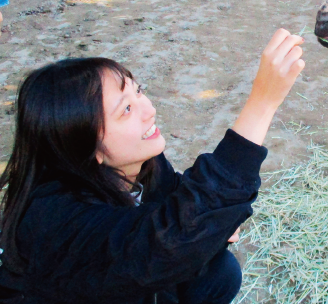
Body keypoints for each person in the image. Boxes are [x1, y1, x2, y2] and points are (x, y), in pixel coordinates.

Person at [0, 29, 305, 304]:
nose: (150, 110)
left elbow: (178, 201)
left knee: (219, 273)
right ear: (86, 146)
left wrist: (214, 223)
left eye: (139, 90)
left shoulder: (140, 163)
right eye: (127, 109)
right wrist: (262, 102)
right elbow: (163, 245)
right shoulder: (54, 221)